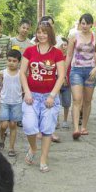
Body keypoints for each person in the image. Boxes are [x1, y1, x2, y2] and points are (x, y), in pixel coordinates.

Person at [20, 22, 65, 173]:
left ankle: (43, 159)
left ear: (50, 34)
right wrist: (26, 92)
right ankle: (33, 148)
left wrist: (52, 95)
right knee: (29, 125)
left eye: (44, 32)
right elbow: (22, 73)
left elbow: (61, 76)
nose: (41, 35)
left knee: (47, 129)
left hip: (49, 98)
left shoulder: (57, 53)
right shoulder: (29, 51)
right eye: (39, 32)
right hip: (31, 96)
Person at [65, 13, 96, 139]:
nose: (84, 26)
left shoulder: (95, 37)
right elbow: (69, 55)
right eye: (82, 23)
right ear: (80, 24)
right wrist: (64, 73)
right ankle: (76, 128)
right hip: (76, 70)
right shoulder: (74, 37)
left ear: (91, 24)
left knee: (87, 100)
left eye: (87, 23)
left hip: (90, 71)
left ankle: (84, 126)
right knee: (77, 99)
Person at [0, 49, 23, 158]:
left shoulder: (21, 73)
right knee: (3, 125)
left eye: (14, 61)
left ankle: (11, 148)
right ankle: (1, 136)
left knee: (13, 125)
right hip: (5, 101)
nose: (11, 63)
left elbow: (23, 87)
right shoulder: (3, 73)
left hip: (16, 102)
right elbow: (1, 87)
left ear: (19, 62)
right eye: (9, 60)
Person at [58, 37, 72, 130]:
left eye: (65, 44)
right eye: (62, 44)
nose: (63, 46)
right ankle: (56, 121)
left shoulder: (70, 57)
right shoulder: (56, 57)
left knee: (66, 103)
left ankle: (65, 120)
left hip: (68, 84)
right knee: (56, 103)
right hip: (57, 83)